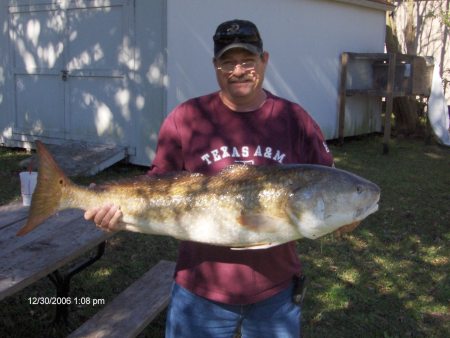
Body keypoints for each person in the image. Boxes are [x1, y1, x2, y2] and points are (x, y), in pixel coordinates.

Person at [84, 19, 333, 338]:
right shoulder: (186, 118)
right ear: (215, 65)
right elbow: (156, 187)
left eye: (247, 61)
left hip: (277, 292)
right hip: (199, 293)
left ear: (264, 60)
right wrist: (117, 211)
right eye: (228, 62)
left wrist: (349, 215)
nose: (238, 70)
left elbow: (328, 183)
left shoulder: (295, 120)